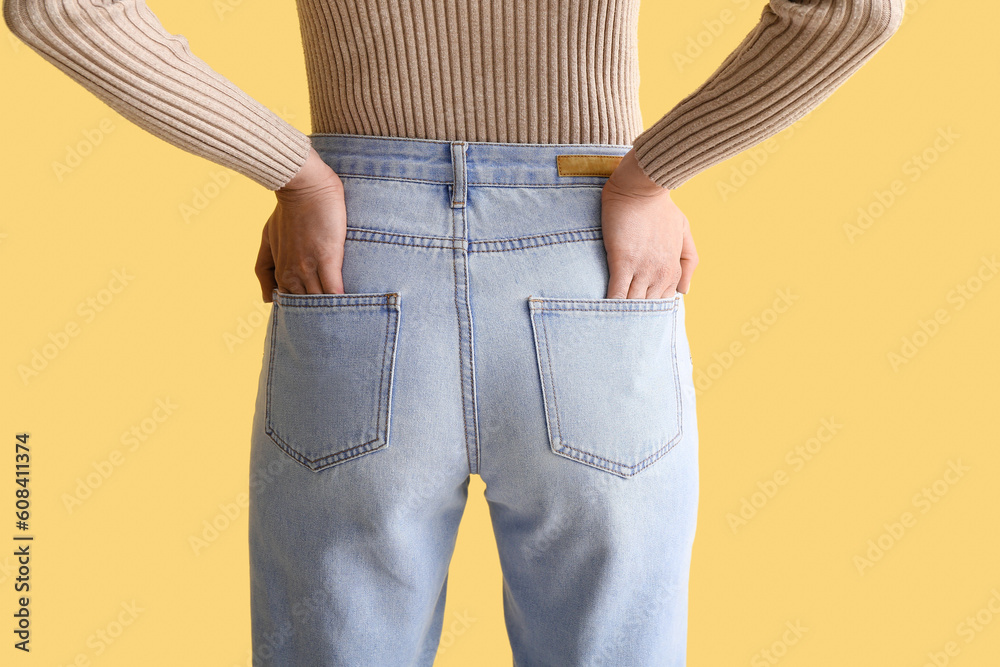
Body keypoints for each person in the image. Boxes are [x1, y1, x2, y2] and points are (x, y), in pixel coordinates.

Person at [5, 1, 904, 664]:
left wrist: (293, 174)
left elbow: (54, 10)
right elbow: (853, 12)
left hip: (357, 258)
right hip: (591, 263)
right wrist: (649, 176)